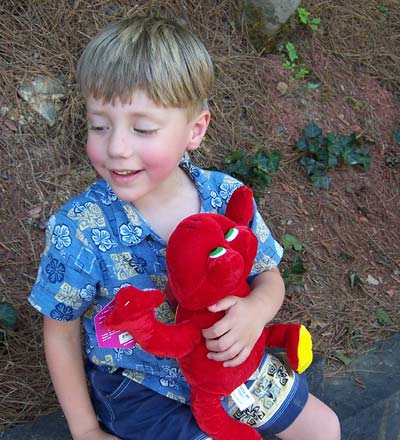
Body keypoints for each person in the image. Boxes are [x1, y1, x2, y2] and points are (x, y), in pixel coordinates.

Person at [28, 15, 340, 440]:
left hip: (227, 364)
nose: (116, 147)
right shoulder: (80, 227)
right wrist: (84, 431)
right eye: (99, 125)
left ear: (195, 129)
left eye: (142, 128)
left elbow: (267, 274)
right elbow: (60, 333)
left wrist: (256, 311)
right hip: (140, 388)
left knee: (323, 428)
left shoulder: (225, 198)